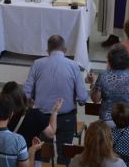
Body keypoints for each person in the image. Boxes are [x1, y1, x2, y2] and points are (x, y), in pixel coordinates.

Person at [23, 35, 88, 164]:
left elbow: (27, 93)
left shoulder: (37, 64)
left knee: (42, 154)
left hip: (42, 118)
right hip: (66, 117)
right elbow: (82, 97)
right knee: (64, 155)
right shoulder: (73, 65)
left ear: (47, 50)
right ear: (65, 49)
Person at [90, 44, 129, 130]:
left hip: (108, 121)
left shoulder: (104, 76)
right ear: (128, 60)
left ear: (110, 60)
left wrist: (92, 85)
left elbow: (95, 99)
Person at [0, 81, 62, 148]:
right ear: (22, 95)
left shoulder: (3, 113)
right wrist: (55, 112)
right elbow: (50, 134)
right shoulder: (36, 114)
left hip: (8, 153)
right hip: (28, 155)